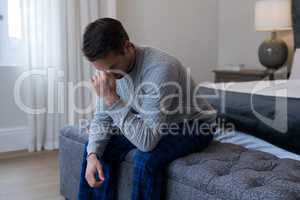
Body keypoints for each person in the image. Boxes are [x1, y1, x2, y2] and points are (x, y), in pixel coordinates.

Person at [78, 18, 217, 200]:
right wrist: (92, 154)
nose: (108, 76)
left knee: (146, 160)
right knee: (95, 148)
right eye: (102, 71)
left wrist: (111, 98)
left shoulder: (160, 69)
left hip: (194, 126)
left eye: (112, 69)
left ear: (127, 46)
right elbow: (103, 118)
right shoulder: (108, 66)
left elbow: (147, 142)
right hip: (156, 121)